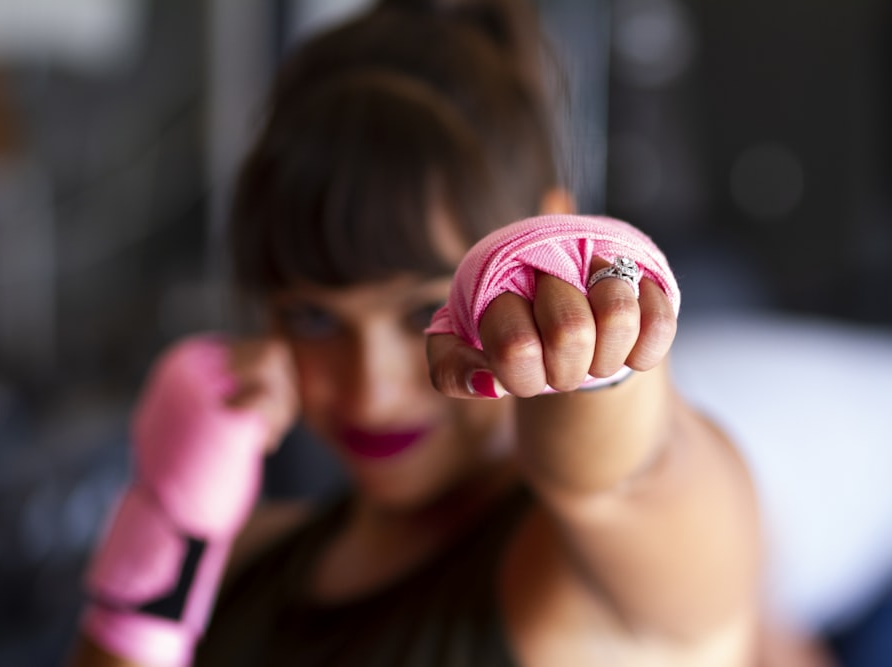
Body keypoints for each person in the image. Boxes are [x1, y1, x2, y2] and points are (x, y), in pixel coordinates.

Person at [67, 1, 832, 665]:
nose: (371, 388)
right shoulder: (242, 555)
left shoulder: (590, 586)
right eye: (313, 317)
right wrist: (164, 524)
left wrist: (596, 342)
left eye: (418, 312)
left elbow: (625, 474)